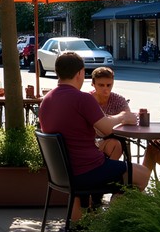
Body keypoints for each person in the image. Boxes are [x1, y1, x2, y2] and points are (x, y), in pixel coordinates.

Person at [38, 52, 150, 222]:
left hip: (61, 173)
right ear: (80, 73)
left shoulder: (46, 99)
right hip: (87, 170)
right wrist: (123, 116)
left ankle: (79, 222)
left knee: (120, 165)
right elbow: (106, 129)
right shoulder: (82, 98)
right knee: (142, 174)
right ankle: (109, 222)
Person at [90, 66, 130, 160]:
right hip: (90, 142)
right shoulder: (88, 99)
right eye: (101, 85)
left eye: (109, 85)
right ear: (93, 84)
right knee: (115, 145)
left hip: (113, 139)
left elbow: (130, 117)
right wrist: (119, 118)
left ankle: (109, 172)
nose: (105, 89)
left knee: (116, 144)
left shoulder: (118, 99)